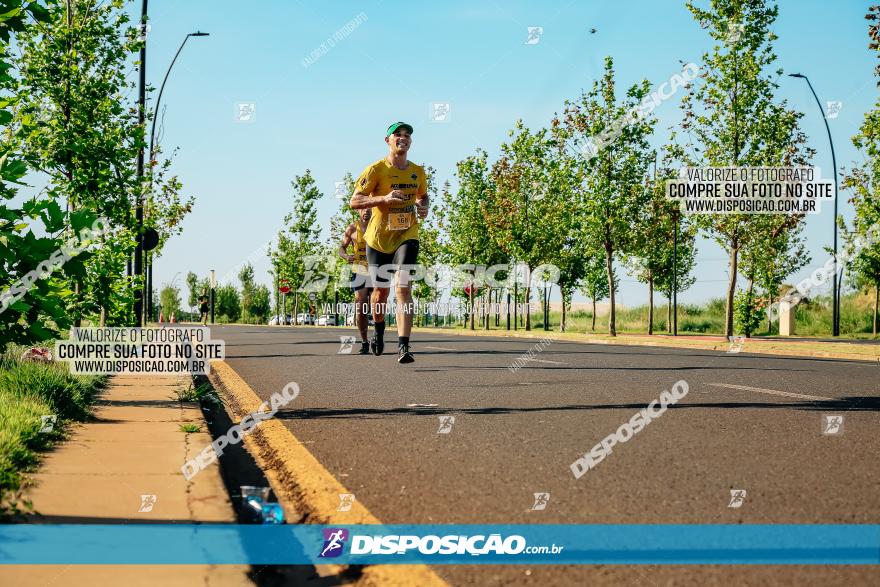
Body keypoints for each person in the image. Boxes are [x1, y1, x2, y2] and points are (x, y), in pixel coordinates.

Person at [349, 121, 428, 364]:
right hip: (378, 240)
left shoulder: (418, 171)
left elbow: (423, 195)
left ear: (410, 142)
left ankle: (404, 346)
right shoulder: (375, 170)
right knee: (380, 294)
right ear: (388, 141)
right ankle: (379, 329)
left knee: (403, 288)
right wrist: (383, 198)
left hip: (407, 234)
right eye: (397, 135)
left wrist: (424, 206)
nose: (402, 138)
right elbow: (354, 201)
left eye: (407, 135)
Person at [338, 208, 373, 354]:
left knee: (378, 305)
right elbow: (341, 247)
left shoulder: (379, 224)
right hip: (359, 270)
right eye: (364, 209)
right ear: (358, 210)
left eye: (370, 208)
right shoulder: (352, 228)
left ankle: (378, 335)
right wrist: (346, 257)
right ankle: (365, 341)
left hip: (378, 269)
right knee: (361, 306)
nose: (366, 211)